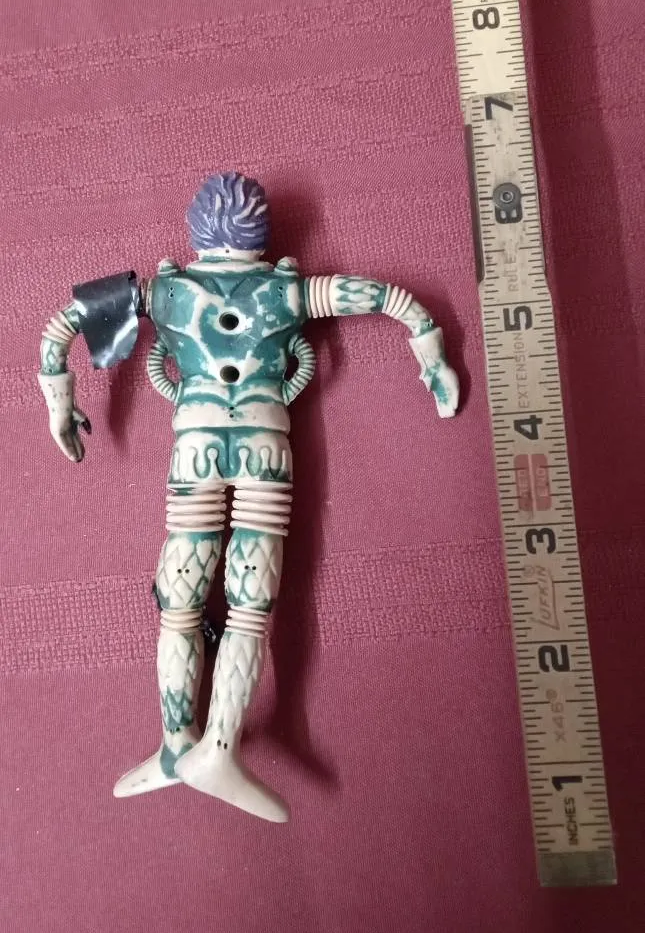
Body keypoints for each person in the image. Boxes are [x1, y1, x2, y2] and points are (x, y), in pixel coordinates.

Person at [37, 171, 459, 821]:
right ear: (260, 234)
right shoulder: (290, 292)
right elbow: (392, 300)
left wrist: (59, 405)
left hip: (196, 448)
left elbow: (61, 326)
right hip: (265, 450)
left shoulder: (164, 293)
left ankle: (177, 741)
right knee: (250, 604)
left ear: (197, 231)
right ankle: (218, 748)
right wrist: (432, 362)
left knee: (181, 598)